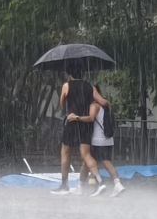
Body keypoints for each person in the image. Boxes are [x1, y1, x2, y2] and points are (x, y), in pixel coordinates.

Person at [51, 65, 108, 195]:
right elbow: (103, 102)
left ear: (70, 74)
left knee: (65, 152)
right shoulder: (90, 87)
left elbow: (62, 104)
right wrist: (107, 105)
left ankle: (64, 185)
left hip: (72, 122)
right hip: (86, 123)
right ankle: (100, 182)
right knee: (86, 154)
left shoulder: (67, 85)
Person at [75, 84, 126, 198]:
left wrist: (76, 118)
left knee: (104, 161)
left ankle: (116, 184)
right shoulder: (104, 106)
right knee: (87, 162)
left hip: (98, 140)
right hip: (107, 139)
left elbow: (90, 118)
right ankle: (81, 186)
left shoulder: (94, 105)